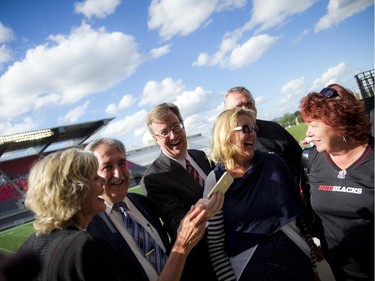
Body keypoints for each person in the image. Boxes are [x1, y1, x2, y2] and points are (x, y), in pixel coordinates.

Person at [204, 107, 316, 281]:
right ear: (226, 135)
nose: (253, 134)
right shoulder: (216, 180)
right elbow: (216, 242)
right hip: (248, 269)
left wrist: (313, 265)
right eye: (246, 129)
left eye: (253, 129)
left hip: (296, 257)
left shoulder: (275, 163)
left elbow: (298, 216)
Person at [85, 138, 219, 281]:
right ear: (93, 174)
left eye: (122, 163)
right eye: (107, 167)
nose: (118, 174)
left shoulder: (142, 202)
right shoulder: (89, 227)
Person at [299, 84, 374, 281]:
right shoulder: (311, 159)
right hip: (339, 268)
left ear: (338, 123)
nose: (308, 133)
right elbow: (307, 205)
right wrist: (311, 241)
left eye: (314, 125)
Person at [141, 102, 223, 281]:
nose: (173, 135)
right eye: (164, 132)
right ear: (155, 138)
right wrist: (203, 212)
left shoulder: (199, 156)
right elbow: (178, 225)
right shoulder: (154, 178)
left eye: (176, 126)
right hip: (206, 261)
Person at [18, 148, 129, 280]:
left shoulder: (28, 246)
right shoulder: (85, 246)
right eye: (95, 178)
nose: (103, 181)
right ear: (73, 191)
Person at [224, 86, 302, 180]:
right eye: (238, 106)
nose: (245, 109)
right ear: (227, 111)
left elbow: (301, 162)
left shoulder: (274, 129)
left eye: (249, 103)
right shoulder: (223, 144)